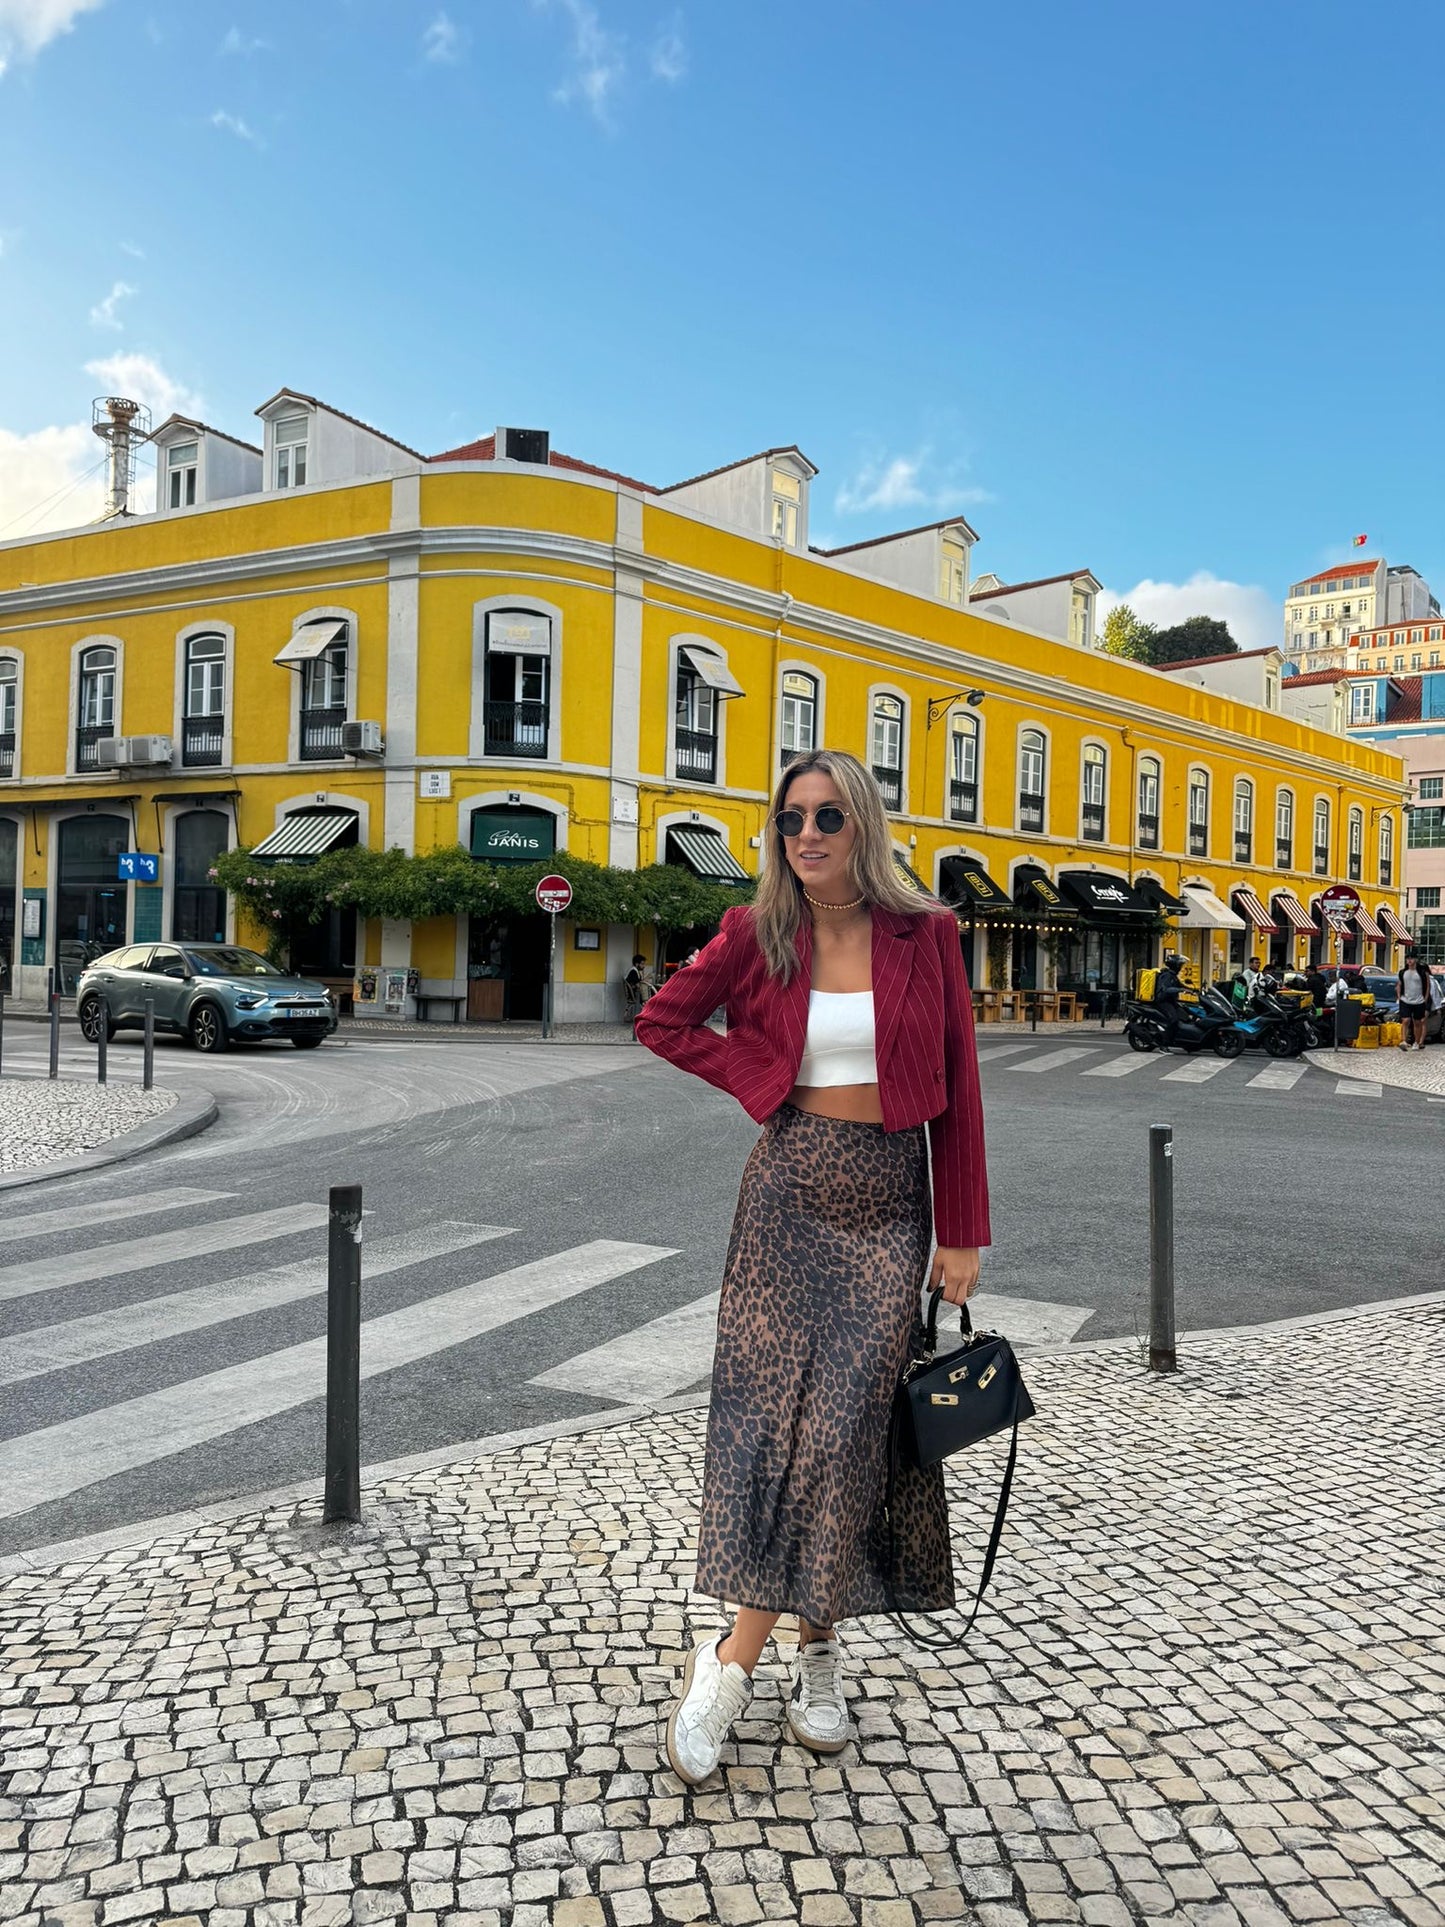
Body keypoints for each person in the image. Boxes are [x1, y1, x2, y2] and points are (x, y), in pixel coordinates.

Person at [635, 748, 989, 1787]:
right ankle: (779, 1652)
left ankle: (766, 1653)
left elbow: (960, 1086)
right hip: (787, 1192)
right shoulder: (757, 934)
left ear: (860, 823)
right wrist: (758, 1072)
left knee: (843, 1435)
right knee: (767, 1428)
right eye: (790, 818)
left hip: (887, 1203)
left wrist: (960, 1232)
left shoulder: (925, 934)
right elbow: (662, 1019)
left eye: (827, 816)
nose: (806, 836)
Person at [1397, 950, 1431, 1051]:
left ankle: (1416, 1042)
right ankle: (1404, 1040)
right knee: (1405, 1020)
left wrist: (1425, 998)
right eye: (1408, 959)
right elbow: (1399, 984)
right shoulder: (1403, 972)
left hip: (1419, 1001)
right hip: (1405, 1000)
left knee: (1417, 1022)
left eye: (1411, 958)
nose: (1409, 961)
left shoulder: (1422, 972)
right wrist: (1399, 997)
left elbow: (1427, 986)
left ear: (1415, 960)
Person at [1152, 950, 1187, 1046]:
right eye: (1180, 965)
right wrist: (1178, 990)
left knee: (1185, 1015)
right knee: (1174, 1019)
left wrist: (1194, 989)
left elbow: (1181, 985)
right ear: (1175, 965)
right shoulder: (1167, 976)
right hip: (1163, 1001)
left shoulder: (1173, 976)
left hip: (1171, 1001)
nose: (1181, 967)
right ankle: (1164, 1043)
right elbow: (1167, 989)